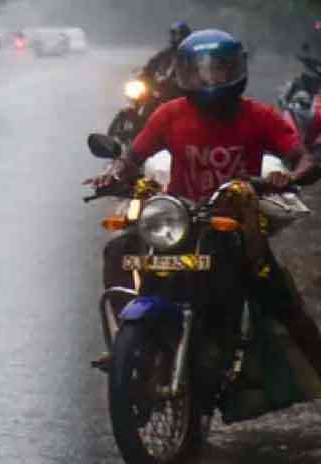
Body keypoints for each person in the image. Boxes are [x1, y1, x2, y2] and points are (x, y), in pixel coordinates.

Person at [88, 29, 321, 374]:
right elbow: (133, 156)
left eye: (217, 69)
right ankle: (129, 338)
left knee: (282, 302)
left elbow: (304, 159)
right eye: (199, 71)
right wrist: (114, 173)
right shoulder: (169, 114)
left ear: (236, 70)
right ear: (184, 73)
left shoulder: (259, 116)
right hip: (180, 221)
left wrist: (291, 176)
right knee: (119, 251)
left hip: (235, 226)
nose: (208, 79)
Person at [139, 21, 192, 99]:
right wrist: (143, 74)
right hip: (163, 91)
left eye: (178, 34)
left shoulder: (192, 53)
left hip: (185, 92)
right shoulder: (165, 53)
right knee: (141, 100)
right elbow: (151, 64)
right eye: (173, 34)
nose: (175, 37)